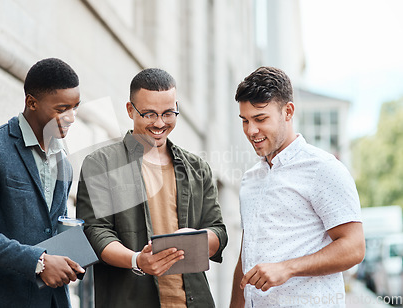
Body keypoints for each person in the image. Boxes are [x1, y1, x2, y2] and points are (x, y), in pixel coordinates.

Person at [76, 68, 228, 308]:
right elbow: (95, 232)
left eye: (168, 113)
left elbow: (218, 231)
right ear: (130, 110)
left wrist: (199, 239)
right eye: (149, 114)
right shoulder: (101, 164)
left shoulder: (198, 168)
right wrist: (137, 260)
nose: (159, 123)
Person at [0, 58, 85, 307]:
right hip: (1, 299)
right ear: (31, 102)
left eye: (75, 107)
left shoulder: (64, 162)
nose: (71, 117)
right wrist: (39, 262)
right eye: (62, 109)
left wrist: (72, 254)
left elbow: (51, 228)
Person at [229, 67, 365, 308]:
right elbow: (246, 257)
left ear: (288, 111)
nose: (251, 131)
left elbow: (353, 247)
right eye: (245, 121)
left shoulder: (323, 168)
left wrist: (287, 268)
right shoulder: (250, 179)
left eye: (260, 119)